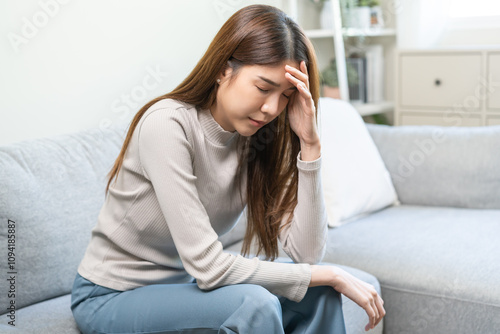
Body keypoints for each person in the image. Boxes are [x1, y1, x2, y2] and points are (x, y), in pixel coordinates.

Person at [70, 4, 385, 334]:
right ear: (223, 69)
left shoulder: (256, 141)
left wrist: (310, 145)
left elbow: (306, 255)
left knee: (317, 292)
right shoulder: (167, 124)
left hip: (183, 288)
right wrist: (333, 273)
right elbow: (208, 266)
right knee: (257, 304)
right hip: (110, 297)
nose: (272, 108)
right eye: (264, 88)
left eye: (286, 96)